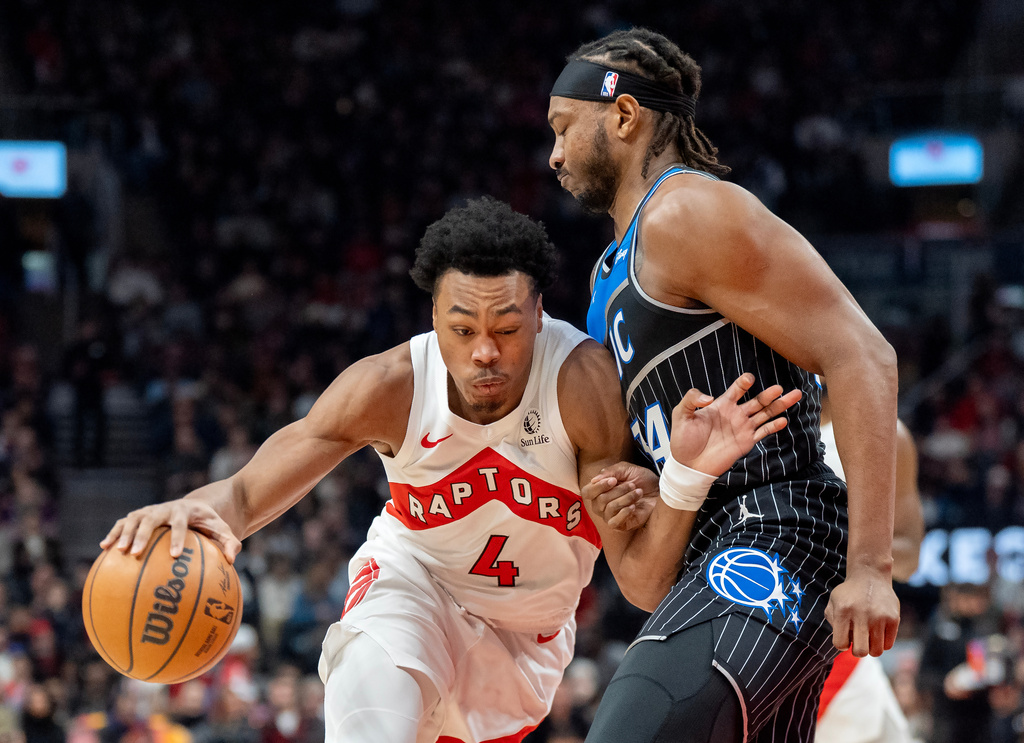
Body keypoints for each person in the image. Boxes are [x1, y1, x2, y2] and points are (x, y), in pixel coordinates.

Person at [100, 197, 799, 743]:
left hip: (526, 639)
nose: (485, 351)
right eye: (463, 328)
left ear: (539, 314)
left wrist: (680, 479)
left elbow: (644, 583)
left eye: (506, 328)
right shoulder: (391, 384)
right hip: (413, 584)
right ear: (434, 314)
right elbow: (248, 492)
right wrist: (194, 507)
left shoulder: (581, 384)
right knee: (370, 688)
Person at [547, 27, 901, 742]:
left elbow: (864, 354)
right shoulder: (604, 282)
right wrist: (663, 485)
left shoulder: (687, 212)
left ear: (622, 115)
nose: (552, 153)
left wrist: (869, 566)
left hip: (780, 527)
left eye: (562, 126)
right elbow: (645, 584)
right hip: (705, 554)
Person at [815, 384, 925, 743]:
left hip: (840, 655)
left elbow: (908, 555)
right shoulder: (739, 428)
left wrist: (848, 551)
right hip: (749, 641)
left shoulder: (883, 432)